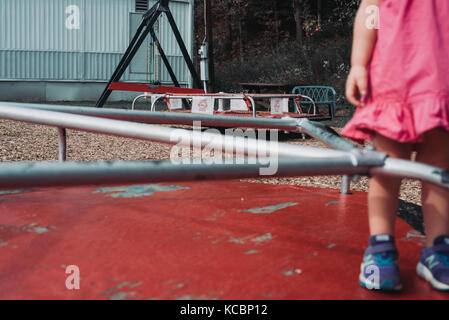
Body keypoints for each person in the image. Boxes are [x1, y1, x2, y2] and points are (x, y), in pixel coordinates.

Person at [343, 0, 449, 291]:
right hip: (393, 78)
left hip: (439, 82)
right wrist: (358, 64)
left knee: (438, 169)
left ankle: (438, 250)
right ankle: (380, 249)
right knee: (387, 166)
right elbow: (371, 12)